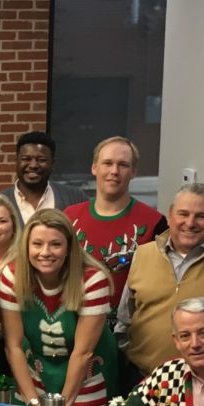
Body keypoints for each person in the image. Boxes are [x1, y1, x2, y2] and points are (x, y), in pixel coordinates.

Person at [117, 183, 204, 379]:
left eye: (201, 216)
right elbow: (124, 320)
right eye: (183, 214)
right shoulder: (143, 254)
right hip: (144, 382)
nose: (190, 223)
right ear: (170, 216)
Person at [0, 209, 118, 406]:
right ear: (26, 246)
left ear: (69, 248)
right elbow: (13, 346)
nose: (45, 252)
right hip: (36, 369)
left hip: (85, 374)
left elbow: (83, 353)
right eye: (37, 244)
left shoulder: (92, 280)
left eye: (55, 244)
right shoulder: (11, 276)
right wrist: (33, 402)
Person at [65, 136, 167, 323]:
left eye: (123, 165)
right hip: (72, 325)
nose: (114, 171)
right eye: (107, 163)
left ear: (133, 172)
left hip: (130, 332)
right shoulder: (69, 218)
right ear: (94, 168)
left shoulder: (155, 223)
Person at [0, 131, 88, 227]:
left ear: (52, 163)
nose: (33, 165)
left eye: (41, 160)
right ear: (16, 162)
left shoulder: (75, 198)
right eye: (26, 159)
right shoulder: (0, 201)